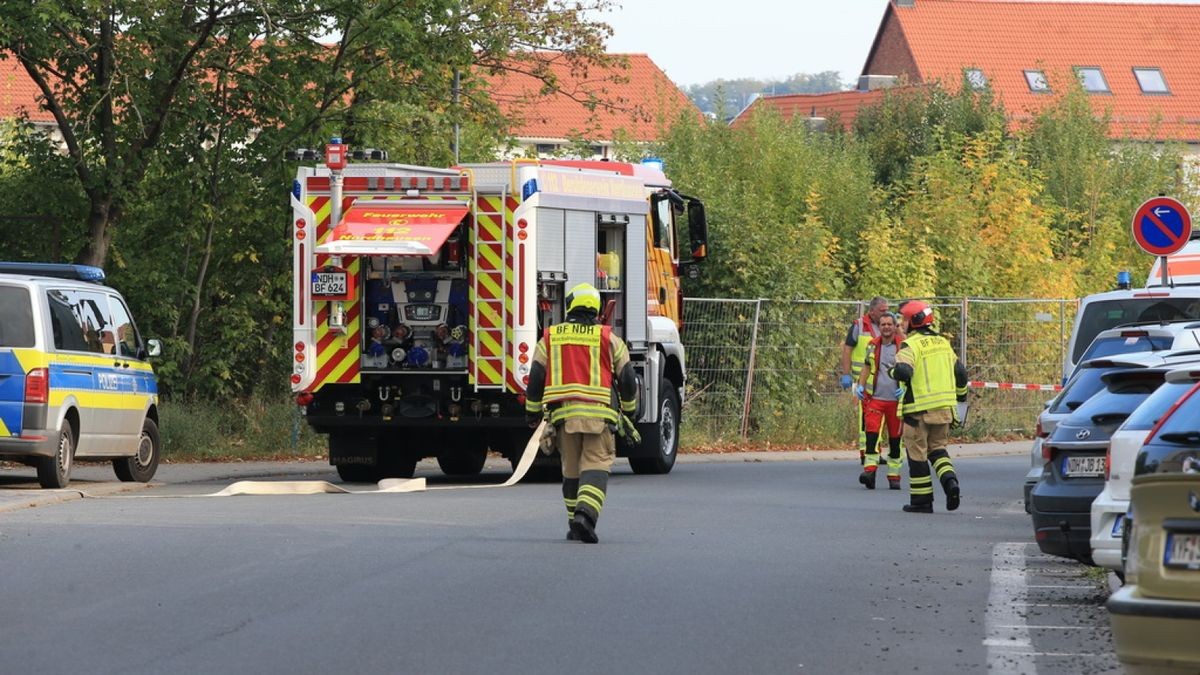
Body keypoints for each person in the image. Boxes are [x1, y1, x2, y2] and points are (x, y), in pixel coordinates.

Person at [525, 283, 639, 543]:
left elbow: (536, 378)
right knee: (596, 465)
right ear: (597, 308)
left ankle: (574, 522)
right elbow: (628, 378)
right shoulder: (609, 338)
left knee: (572, 470)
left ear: (570, 305)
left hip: (564, 419)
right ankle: (585, 516)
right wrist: (630, 412)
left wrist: (532, 412)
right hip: (599, 418)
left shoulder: (551, 337)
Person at [889, 300, 969, 513]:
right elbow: (960, 373)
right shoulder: (943, 343)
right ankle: (950, 481)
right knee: (938, 451)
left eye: (903, 320)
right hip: (944, 410)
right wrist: (961, 400)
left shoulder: (911, 345)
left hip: (918, 412)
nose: (900, 324)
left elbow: (904, 372)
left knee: (917, 455)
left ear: (914, 321)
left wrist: (892, 372)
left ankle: (922, 501)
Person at [855, 312, 905, 490]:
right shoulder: (872, 345)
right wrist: (860, 386)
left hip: (896, 402)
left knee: (895, 440)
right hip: (875, 399)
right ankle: (869, 471)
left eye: (889, 324)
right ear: (880, 327)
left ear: (894, 326)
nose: (885, 327)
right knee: (871, 436)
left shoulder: (903, 346)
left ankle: (894, 475)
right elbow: (866, 367)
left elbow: (912, 371)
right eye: (882, 324)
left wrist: (905, 389)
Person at [841, 296, 889, 466]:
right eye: (882, 310)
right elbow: (847, 349)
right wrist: (846, 374)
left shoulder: (888, 325)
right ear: (872, 311)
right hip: (861, 380)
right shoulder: (859, 325)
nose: (886, 313)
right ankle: (866, 452)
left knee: (880, 416)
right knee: (866, 416)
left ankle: (874, 450)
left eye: (887, 310)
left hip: (882, 380)